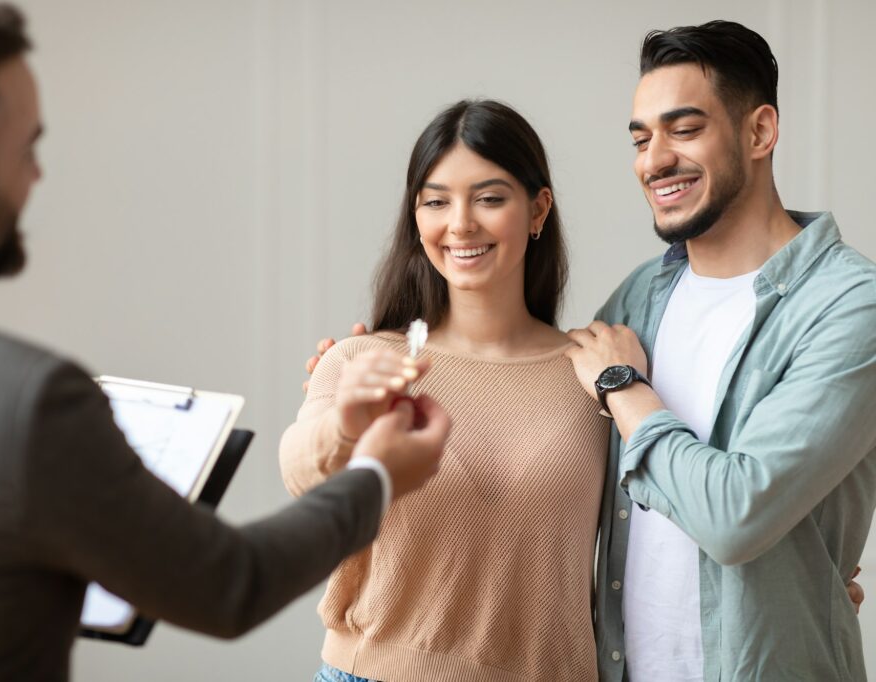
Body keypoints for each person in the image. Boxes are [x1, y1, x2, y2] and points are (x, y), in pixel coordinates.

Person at [0, 2, 449, 680]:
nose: (37, 178)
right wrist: (375, 475)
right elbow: (231, 583)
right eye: (27, 150)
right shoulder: (24, 401)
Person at [564, 20, 876, 681]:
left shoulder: (849, 304)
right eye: (641, 139)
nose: (653, 161)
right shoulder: (635, 301)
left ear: (759, 132)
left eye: (684, 129)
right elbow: (539, 448)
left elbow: (736, 515)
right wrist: (374, 366)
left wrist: (625, 386)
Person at [280, 100, 609, 681]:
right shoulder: (364, 361)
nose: (460, 223)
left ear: (538, 210)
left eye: (488, 197)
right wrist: (348, 424)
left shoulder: (591, 377)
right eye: (436, 201)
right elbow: (302, 473)